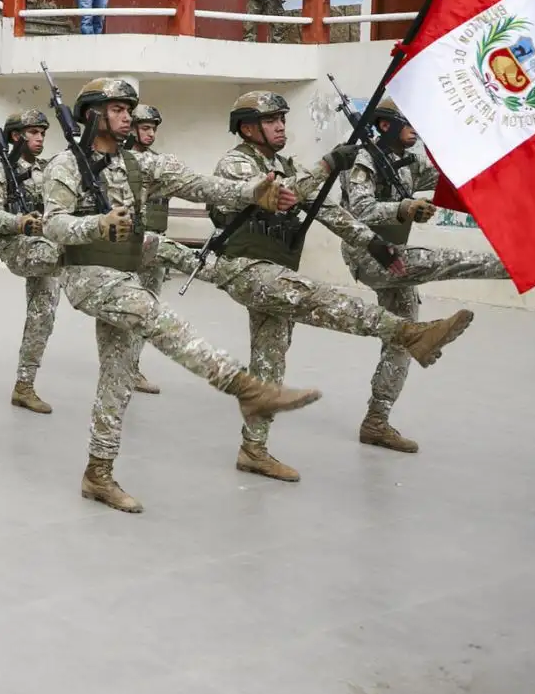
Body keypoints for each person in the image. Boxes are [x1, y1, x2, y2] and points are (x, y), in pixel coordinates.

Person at [42, 77, 327, 515]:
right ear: (92, 114)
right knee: (155, 315)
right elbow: (54, 225)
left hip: (125, 269)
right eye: (117, 110)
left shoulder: (137, 165)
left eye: (128, 110)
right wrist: (95, 225)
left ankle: (98, 472)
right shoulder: (65, 165)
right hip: (87, 272)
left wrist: (253, 191)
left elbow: (199, 185)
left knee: (117, 375)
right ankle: (243, 386)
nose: (127, 118)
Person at [191, 90, 478, 483]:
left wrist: (373, 242)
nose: (280, 127)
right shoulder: (236, 163)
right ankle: (409, 332)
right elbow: (282, 195)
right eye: (272, 120)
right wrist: (326, 164)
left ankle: (253, 450)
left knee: (269, 360)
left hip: (274, 266)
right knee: (318, 300)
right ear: (247, 128)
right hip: (245, 267)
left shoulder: (285, 163)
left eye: (282, 119)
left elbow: (326, 210)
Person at [336, 96, 535, 452]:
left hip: (393, 256)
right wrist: (404, 206)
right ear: (386, 125)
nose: (416, 130)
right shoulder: (363, 160)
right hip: (370, 254)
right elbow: (360, 208)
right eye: (409, 123)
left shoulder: (408, 163)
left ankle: (376, 422)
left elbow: (451, 177)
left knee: (404, 338)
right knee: (450, 259)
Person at [0, 109, 63, 414]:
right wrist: (21, 223)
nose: (40, 138)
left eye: (43, 133)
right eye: (34, 133)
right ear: (16, 136)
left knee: (43, 317)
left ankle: (24, 386)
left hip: (48, 246)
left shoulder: (47, 169)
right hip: (19, 246)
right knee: (70, 257)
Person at [127, 103, 166, 394]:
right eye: (145, 128)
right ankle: (124, 368)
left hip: (156, 241)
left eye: (153, 129)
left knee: (149, 306)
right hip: (132, 242)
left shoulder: (158, 160)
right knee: (130, 306)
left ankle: (133, 366)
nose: (150, 133)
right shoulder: (124, 161)